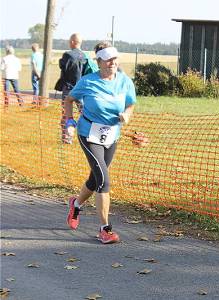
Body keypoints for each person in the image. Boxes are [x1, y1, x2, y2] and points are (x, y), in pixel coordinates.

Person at [64, 41, 136, 244]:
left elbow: (130, 103)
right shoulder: (88, 82)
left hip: (112, 135)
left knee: (95, 179)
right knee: (104, 179)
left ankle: (76, 205)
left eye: (115, 58)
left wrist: (127, 115)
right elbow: (69, 100)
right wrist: (69, 121)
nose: (112, 62)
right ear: (99, 62)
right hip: (89, 133)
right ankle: (105, 229)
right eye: (107, 59)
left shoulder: (125, 82)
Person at [57, 33, 86, 143]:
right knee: (85, 112)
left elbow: (62, 66)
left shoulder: (67, 55)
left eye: (70, 41)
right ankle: (88, 135)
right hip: (82, 89)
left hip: (69, 89)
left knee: (66, 113)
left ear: (73, 42)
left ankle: (67, 137)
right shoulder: (84, 56)